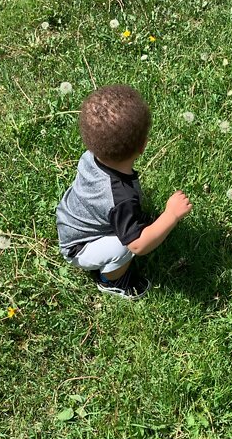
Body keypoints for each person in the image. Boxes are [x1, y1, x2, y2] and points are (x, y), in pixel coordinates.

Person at [56, 84, 192, 299]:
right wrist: (171, 215)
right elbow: (139, 245)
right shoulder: (121, 198)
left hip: (70, 221)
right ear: (143, 146)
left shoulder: (91, 155)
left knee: (127, 229)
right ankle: (112, 281)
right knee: (124, 247)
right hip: (79, 248)